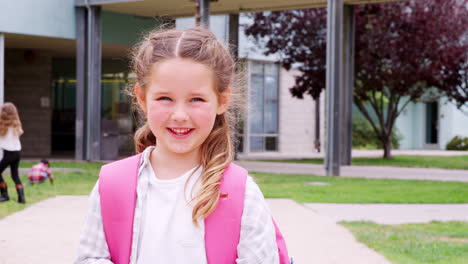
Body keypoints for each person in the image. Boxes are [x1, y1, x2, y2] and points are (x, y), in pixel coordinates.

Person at [75, 27, 285, 263]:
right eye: (165, 98)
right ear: (142, 98)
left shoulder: (241, 191)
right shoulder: (112, 183)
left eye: (196, 99)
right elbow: (90, 257)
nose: (180, 115)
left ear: (222, 101)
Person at [0, 102, 25, 204]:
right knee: (15, 176)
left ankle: (5, 195)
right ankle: (21, 198)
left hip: (8, 154)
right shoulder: (16, 125)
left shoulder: (2, 126)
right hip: (17, 153)